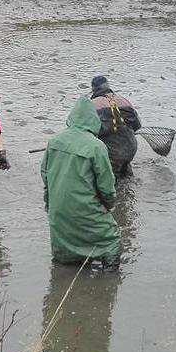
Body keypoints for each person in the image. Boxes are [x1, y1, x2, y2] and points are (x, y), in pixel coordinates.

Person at [40, 97, 120, 265]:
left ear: (72, 117)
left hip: (57, 211)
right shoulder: (97, 146)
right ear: (93, 121)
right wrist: (109, 205)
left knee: (63, 242)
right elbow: (106, 186)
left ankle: (63, 273)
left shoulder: (54, 141)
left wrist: (49, 203)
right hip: (84, 208)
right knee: (111, 239)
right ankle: (109, 280)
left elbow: (45, 175)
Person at [90, 75, 141, 178]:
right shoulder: (124, 100)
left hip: (111, 153)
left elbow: (87, 133)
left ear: (93, 89)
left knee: (110, 181)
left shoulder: (92, 105)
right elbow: (137, 125)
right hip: (131, 148)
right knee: (126, 177)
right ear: (108, 86)